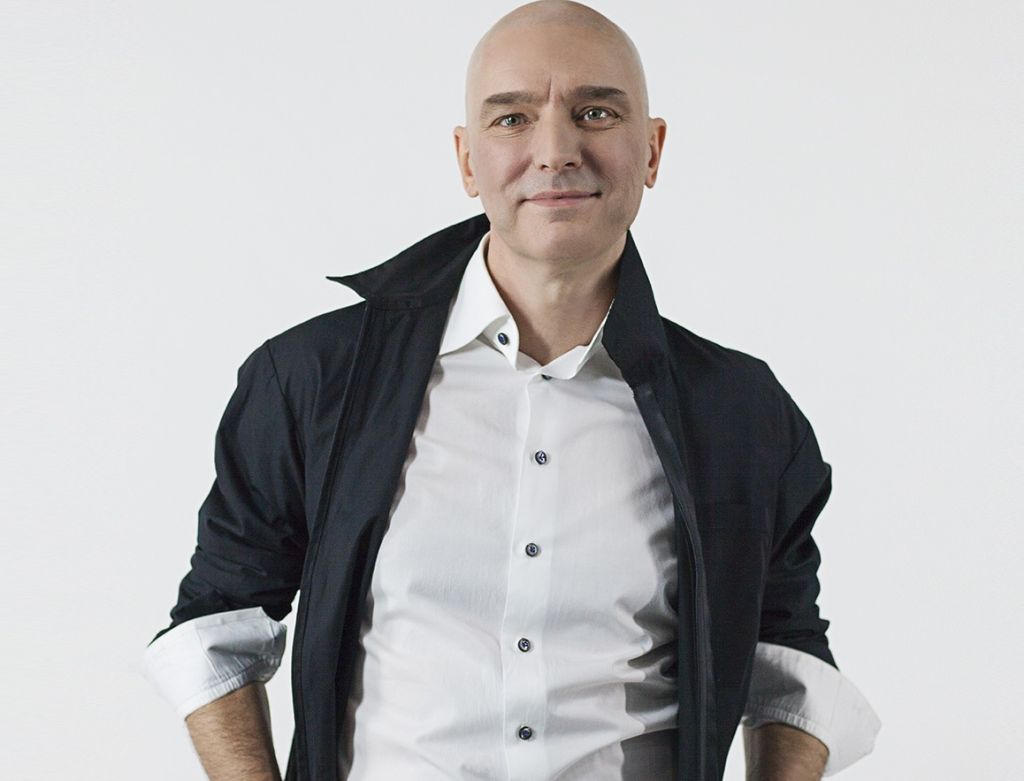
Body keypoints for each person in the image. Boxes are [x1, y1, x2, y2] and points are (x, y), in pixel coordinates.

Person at [142, 2, 880, 779]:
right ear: (468, 160)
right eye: (512, 119)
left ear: (653, 149)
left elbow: (787, 657)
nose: (555, 151)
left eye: (595, 113)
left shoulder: (741, 412)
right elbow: (217, 627)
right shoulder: (315, 378)